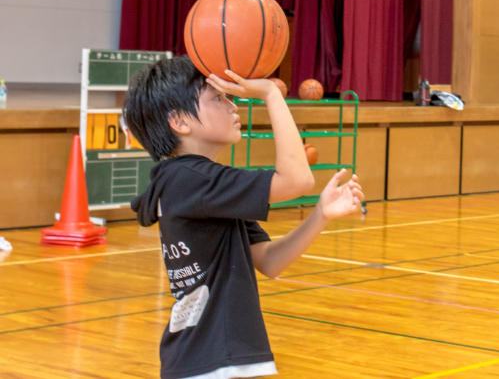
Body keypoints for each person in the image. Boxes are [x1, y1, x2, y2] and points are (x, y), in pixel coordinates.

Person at [124, 57, 364, 379]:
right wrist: (270, 94)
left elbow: (269, 261)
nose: (233, 105)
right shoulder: (192, 179)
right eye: (217, 98)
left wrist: (319, 215)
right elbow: (297, 180)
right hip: (214, 357)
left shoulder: (199, 186)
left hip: (210, 356)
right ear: (180, 121)